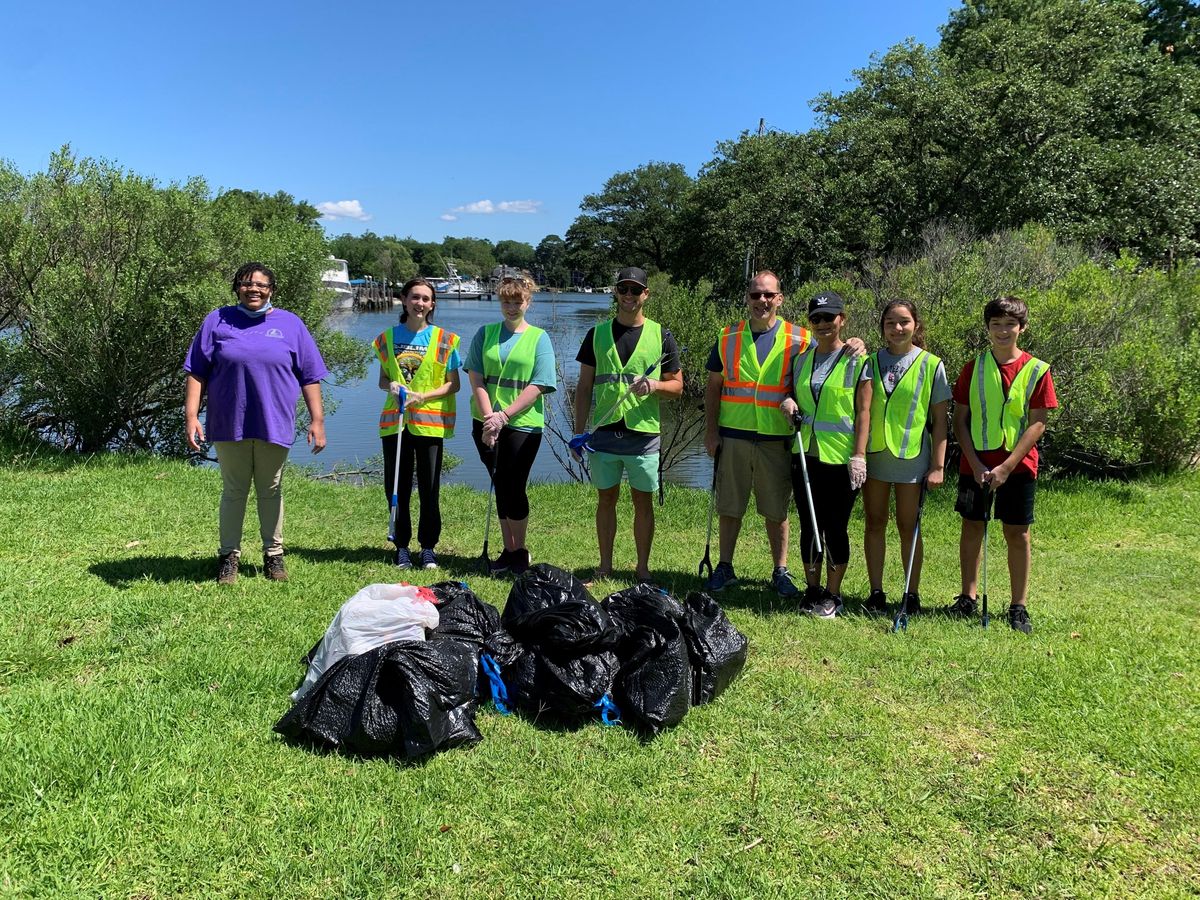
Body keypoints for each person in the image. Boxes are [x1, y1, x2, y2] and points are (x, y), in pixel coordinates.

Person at [703, 271, 864, 597]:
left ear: (780, 298)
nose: (762, 301)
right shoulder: (727, 337)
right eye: (755, 295)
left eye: (768, 295)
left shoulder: (800, 337)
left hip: (777, 438)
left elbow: (830, 351)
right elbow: (712, 388)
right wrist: (711, 433)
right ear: (747, 298)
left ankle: (780, 570)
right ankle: (725, 566)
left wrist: (856, 343)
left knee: (776, 510)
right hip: (733, 434)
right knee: (730, 506)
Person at [184, 262, 328, 584]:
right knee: (234, 490)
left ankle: (273, 557)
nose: (254, 289)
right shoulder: (217, 320)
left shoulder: (290, 324)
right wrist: (191, 416)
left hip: (274, 421)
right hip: (228, 420)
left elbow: (310, 376)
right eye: (248, 284)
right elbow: (197, 371)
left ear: (271, 290)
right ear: (237, 287)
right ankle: (228, 557)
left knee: (271, 488)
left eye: (262, 285)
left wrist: (317, 420)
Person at [947, 295, 1057, 633]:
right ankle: (968, 597)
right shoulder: (973, 367)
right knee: (972, 527)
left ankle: (1018, 606)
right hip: (975, 465)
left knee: (1017, 533)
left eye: (1010, 324)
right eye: (996, 324)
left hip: (1019, 467)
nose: (1003, 330)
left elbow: (1038, 423)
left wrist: (1007, 466)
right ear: (988, 328)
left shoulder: (1038, 370)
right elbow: (959, 420)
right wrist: (975, 462)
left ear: (1021, 327)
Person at [573, 267, 684, 584]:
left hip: (643, 434)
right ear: (616, 293)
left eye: (636, 290)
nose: (629, 296)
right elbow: (583, 387)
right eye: (624, 289)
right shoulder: (596, 335)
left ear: (645, 294)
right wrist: (579, 432)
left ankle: (642, 569)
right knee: (605, 499)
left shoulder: (661, 336)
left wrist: (655, 385)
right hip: (604, 432)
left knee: (642, 502)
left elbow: (677, 387)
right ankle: (605, 567)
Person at [780, 290, 872, 618]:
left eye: (829, 318)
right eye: (816, 319)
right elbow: (794, 394)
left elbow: (864, 412)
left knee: (835, 526)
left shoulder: (858, 359)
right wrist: (787, 402)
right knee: (809, 524)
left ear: (841, 320)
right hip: (806, 454)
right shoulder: (802, 358)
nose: (822, 324)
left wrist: (859, 454)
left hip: (842, 458)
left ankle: (833, 595)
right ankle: (813, 589)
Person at [861, 299, 951, 614]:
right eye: (890, 323)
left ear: (916, 325)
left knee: (908, 525)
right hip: (875, 457)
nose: (897, 328)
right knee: (874, 522)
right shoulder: (869, 362)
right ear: (882, 328)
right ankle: (876, 592)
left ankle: (911, 594)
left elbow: (941, 422)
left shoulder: (931, 364)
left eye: (904, 322)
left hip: (912, 458)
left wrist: (938, 466)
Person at [465, 273, 556, 575]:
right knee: (500, 483)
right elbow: (476, 376)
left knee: (514, 485)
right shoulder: (484, 333)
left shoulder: (539, 338)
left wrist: (504, 416)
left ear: (528, 302)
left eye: (517, 301)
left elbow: (540, 383)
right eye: (506, 301)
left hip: (523, 424)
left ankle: (520, 551)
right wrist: (490, 416)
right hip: (485, 420)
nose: (511, 306)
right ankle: (508, 550)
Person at [372, 277, 461, 570]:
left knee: (429, 487)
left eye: (425, 298)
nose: (420, 303)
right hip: (395, 425)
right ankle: (401, 547)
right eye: (415, 297)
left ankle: (428, 548)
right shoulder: (386, 338)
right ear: (404, 300)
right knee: (396, 487)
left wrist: (422, 395)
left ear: (432, 304)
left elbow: (453, 385)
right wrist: (393, 387)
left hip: (430, 425)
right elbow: (383, 379)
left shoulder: (445, 340)